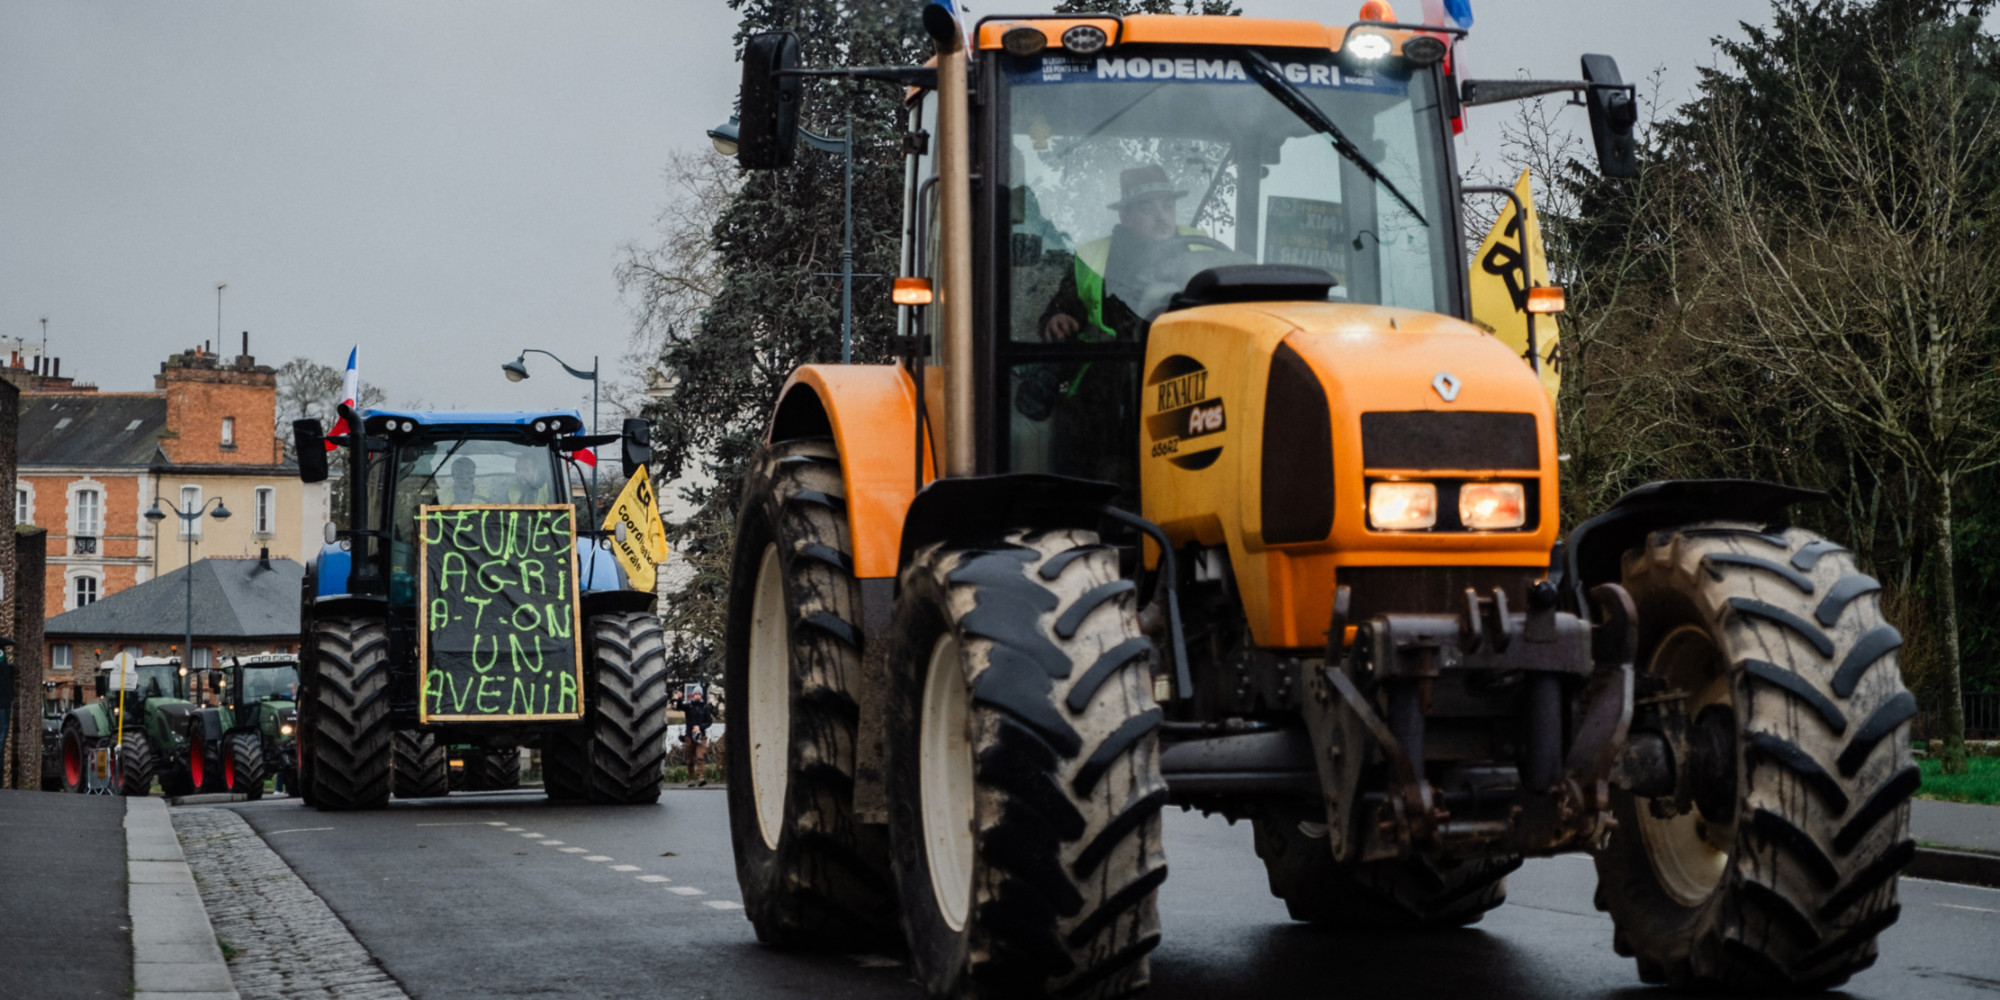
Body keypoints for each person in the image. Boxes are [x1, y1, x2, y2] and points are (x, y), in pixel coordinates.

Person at [681, 688, 713, 788]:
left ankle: (701, 778)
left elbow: (709, 721)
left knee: (700, 757)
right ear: (693, 695)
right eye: (696, 694)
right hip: (689, 736)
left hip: (701, 736)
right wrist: (679, 698)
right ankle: (691, 779)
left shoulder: (705, 707)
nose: (697, 695)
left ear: (701, 695)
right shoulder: (689, 706)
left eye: (699, 694)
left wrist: (700, 727)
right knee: (690, 759)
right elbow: (679, 706)